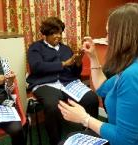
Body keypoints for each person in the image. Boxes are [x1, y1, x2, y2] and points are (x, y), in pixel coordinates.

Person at [58, 3, 138, 145]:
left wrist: (85, 119)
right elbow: (103, 87)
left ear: (124, 36)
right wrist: (93, 57)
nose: (107, 38)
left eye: (109, 33)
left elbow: (124, 139)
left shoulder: (134, 75)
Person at [26, 16, 99, 145]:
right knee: (53, 104)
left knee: (91, 98)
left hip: (68, 83)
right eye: (53, 33)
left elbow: (75, 74)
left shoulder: (66, 49)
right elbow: (36, 67)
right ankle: (56, 141)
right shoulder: (35, 48)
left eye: (59, 32)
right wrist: (64, 64)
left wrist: (77, 63)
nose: (58, 36)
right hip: (44, 83)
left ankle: (90, 134)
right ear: (45, 35)